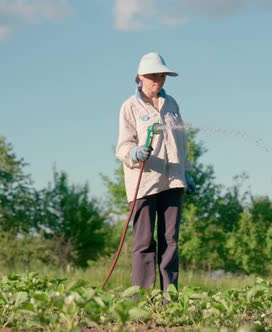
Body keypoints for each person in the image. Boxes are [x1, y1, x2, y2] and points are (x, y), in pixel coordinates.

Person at [115, 51, 195, 294]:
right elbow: (123, 146)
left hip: (173, 181)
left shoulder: (172, 104)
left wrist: (186, 171)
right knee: (143, 242)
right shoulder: (130, 107)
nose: (157, 81)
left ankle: (169, 297)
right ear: (140, 77)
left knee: (170, 240)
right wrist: (134, 152)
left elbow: (180, 141)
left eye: (161, 76)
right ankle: (142, 297)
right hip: (145, 182)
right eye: (152, 76)